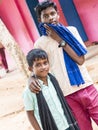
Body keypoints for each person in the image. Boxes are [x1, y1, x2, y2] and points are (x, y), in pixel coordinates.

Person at [29, 0, 98, 130]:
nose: (50, 18)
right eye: (46, 16)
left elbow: (80, 60)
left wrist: (60, 40)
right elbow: (38, 67)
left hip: (86, 87)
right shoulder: (40, 43)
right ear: (40, 20)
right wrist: (31, 78)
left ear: (58, 14)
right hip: (66, 94)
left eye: (53, 13)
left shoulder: (71, 31)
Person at [23, 48, 80, 130]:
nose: (43, 67)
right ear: (31, 69)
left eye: (45, 63)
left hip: (67, 124)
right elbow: (30, 114)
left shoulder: (53, 80)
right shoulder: (29, 91)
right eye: (38, 65)